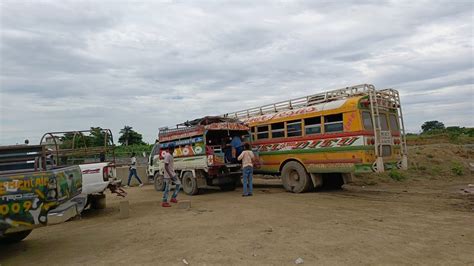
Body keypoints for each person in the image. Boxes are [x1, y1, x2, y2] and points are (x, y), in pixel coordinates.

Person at [162, 143, 181, 207]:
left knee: (178, 184)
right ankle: (164, 202)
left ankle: (173, 198)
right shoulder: (167, 155)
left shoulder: (170, 155)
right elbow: (166, 166)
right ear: (172, 149)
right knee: (167, 188)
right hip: (168, 175)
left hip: (172, 174)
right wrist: (171, 176)